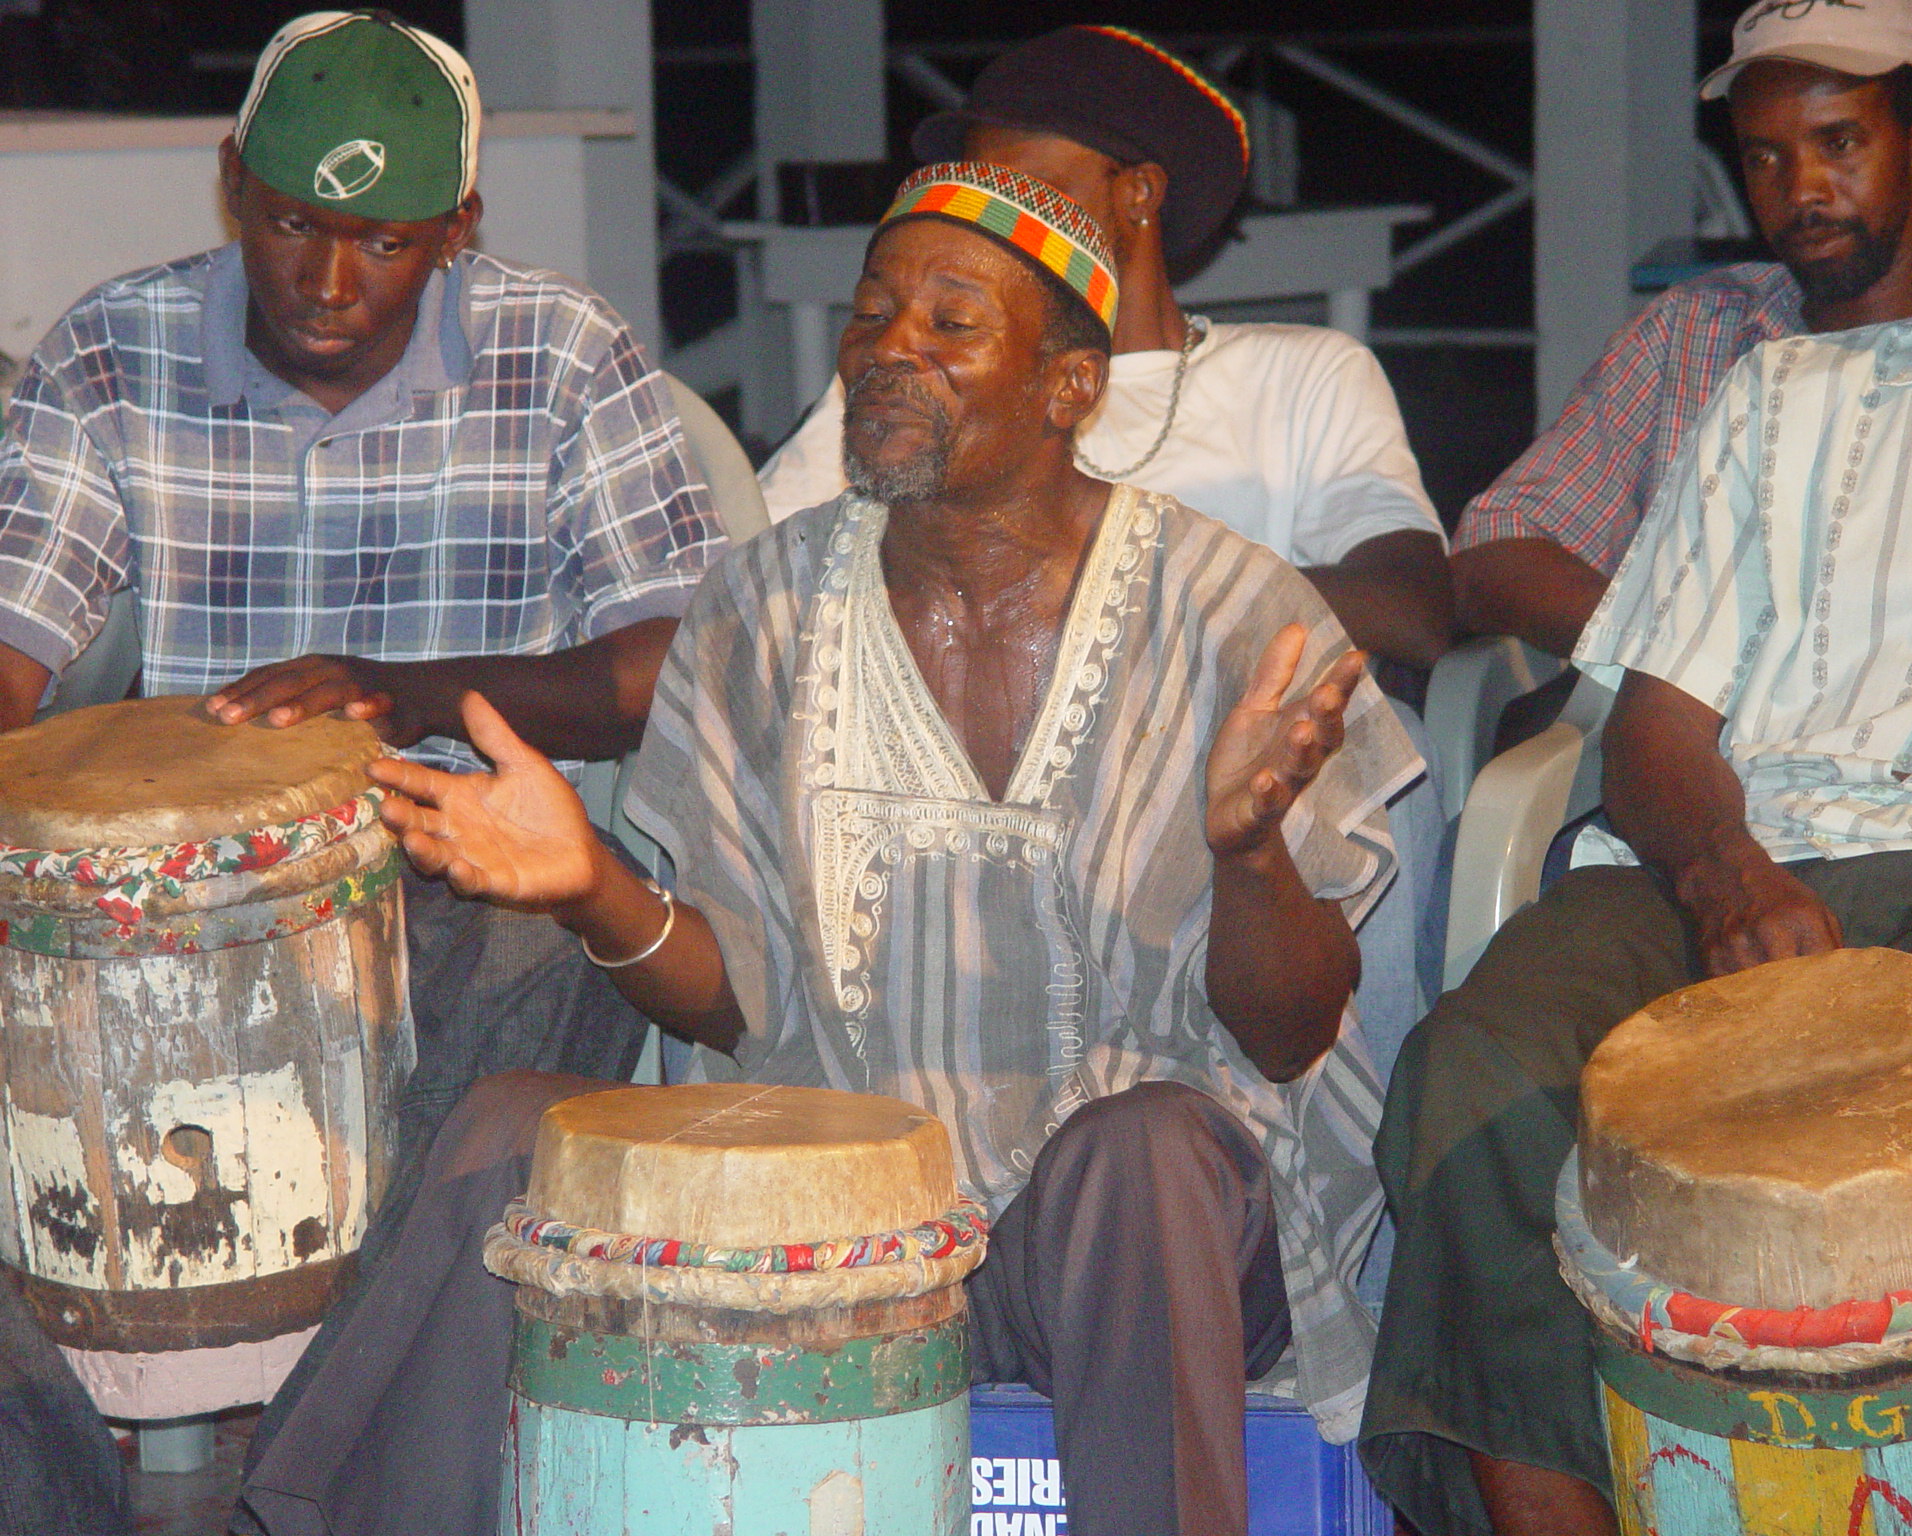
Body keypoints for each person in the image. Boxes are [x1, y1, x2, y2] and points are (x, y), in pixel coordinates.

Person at [234, 161, 1420, 1536]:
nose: (888, 352)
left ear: (1070, 385)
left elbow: (1291, 1032)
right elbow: (735, 997)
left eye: (948, 324)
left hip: (1151, 1243)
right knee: (513, 1133)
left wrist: (1251, 850)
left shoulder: (1232, 611)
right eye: (871, 318)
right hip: (827, 1216)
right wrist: (593, 888)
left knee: (1136, 1153)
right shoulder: (764, 607)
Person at [0, 17, 718, 1533]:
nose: (328, 285)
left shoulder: (563, 355)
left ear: (458, 227)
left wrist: (397, 694)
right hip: (181, 903)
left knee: (540, 973)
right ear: (230, 188)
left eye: (383, 244)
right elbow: (13, 646)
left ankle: (295, 1486)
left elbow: (675, 667)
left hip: (472, 867)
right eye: (292, 225)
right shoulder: (109, 352)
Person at [1361, 6, 1912, 1532]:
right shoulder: (1783, 396)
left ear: (1907, 144)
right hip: (1735, 857)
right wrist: (1723, 870)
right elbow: (1657, 724)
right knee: (1482, 1071)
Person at [756, 25, 1453, 675]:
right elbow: (754, 583)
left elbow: (1410, 608)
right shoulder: (927, 375)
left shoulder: (1303, 374)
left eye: (1026, 195)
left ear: (1139, 193)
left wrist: (1107, 599)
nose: (993, 226)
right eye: (976, 195)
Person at [1450, 0, 1912, 661]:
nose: (1802, 189)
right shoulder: (1694, 329)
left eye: (1838, 143)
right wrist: (1680, 661)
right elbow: (1492, 548)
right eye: (1764, 157)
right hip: (1678, 735)